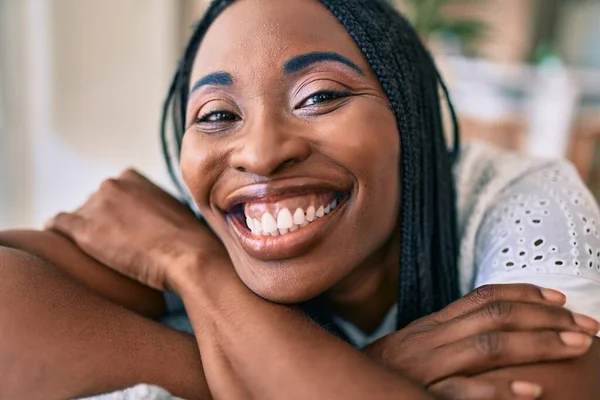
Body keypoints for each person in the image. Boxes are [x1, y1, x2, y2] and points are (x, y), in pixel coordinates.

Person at [1, 0, 600, 399]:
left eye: (318, 97)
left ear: (406, 115)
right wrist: (362, 373)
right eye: (216, 115)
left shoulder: (523, 201)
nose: (259, 154)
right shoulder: (183, 228)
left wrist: (200, 274)